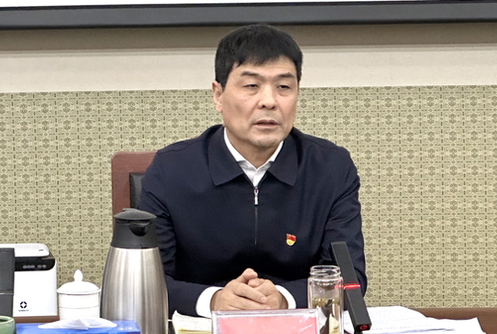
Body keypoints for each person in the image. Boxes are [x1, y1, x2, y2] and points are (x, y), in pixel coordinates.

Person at [138, 24, 366, 318]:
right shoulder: (171, 170)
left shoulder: (330, 168)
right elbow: (146, 283)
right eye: (251, 86)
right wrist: (215, 300)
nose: (269, 101)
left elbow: (349, 278)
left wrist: (283, 299)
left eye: (284, 87)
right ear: (218, 95)